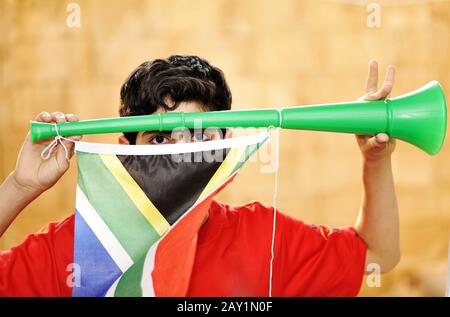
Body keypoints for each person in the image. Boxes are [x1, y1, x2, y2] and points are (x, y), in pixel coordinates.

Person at [0, 55, 399, 296]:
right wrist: (19, 187)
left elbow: (378, 256)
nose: (178, 155)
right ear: (126, 148)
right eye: (159, 140)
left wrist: (375, 161)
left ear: (223, 147)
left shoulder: (262, 236)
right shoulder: (77, 247)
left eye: (197, 139)